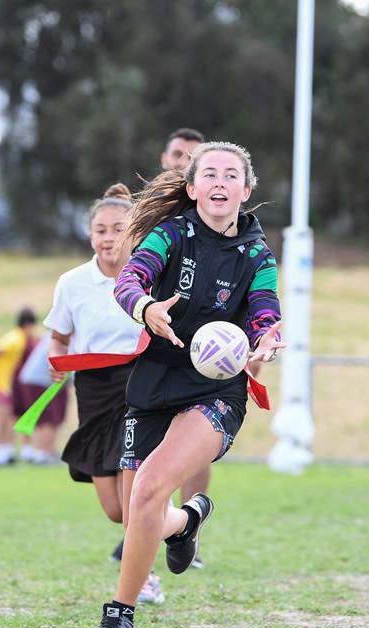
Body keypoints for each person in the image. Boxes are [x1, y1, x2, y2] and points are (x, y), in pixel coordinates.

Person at [86, 141, 285, 628]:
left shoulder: (257, 255)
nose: (220, 181)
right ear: (193, 187)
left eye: (231, 174)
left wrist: (266, 337)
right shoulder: (170, 234)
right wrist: (146, 308)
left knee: (150, 485)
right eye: (210, 174)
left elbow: (265, 309)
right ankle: (188, 519)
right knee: (142, 509)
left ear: (245, 189)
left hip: (216, 390)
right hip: (153, 382)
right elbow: (129, 280)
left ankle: (119, 617)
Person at [45, 184, 165, 604]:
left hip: (140, 388)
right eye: (100, 230)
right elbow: (59, 337)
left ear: (136, 231)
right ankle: (181, 522)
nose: (108, 237)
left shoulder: (153, 276)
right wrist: (56, 361)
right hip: (92, 392)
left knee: (134, 496)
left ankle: (145, 579)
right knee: (115, 510)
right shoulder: (72, 282)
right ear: (89, 234)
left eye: (118, 228)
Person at [108, 126, 211, 567]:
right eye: (177, 153)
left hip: (198, 360)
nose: (182, 159)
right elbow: (123, 277)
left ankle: (177, 523)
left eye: (193, 156)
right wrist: (143, 305)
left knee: (193, 443)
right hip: (137, 351)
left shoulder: (229, 233)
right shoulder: (149, 222)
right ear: (165, 158)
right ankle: (158, 522)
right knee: (132, 465)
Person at [0, 307, 37, 467]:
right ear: (28, 325)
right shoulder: (16, 338)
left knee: (4, 420)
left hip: (3, 384)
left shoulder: (18, 338)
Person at [14, 330, 69, 465]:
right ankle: (44, 453)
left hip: (37, 380)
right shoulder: (61, 337)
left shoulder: (54, 334)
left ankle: (47, 451)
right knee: (48, 419)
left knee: (49, 418)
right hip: (40, 381)